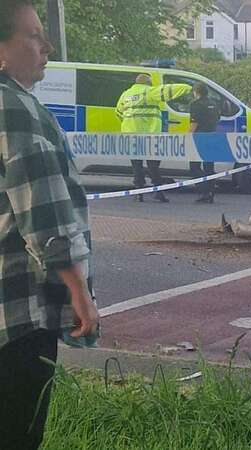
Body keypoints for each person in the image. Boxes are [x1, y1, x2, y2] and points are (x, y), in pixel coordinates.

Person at [0, 1, 99, 448]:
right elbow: (44, 214)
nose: (47, 45)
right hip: (20, 312)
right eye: (33, 35)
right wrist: (79, 292)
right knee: (19, 431)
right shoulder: (16, 108)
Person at [116, 74, 191, 202]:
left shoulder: (125, 94)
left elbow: (118, 112)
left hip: (131, 135)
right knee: (153, 165)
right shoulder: (149, 92)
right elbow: (170, 90)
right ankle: (158, 192)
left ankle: (138, 193)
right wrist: (189, 87)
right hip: (150, 135)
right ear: (148, 83)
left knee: (137, 165)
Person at [188, 82, 220, 203]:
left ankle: (204, 191)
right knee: (209, 166)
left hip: (199, 138)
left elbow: (194, 123)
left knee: (194, 167)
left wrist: (187, 137)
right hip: (212, 136)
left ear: (196, 92)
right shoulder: (214, 103)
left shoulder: (195, 104)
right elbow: (217, 119)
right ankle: (211, 191)